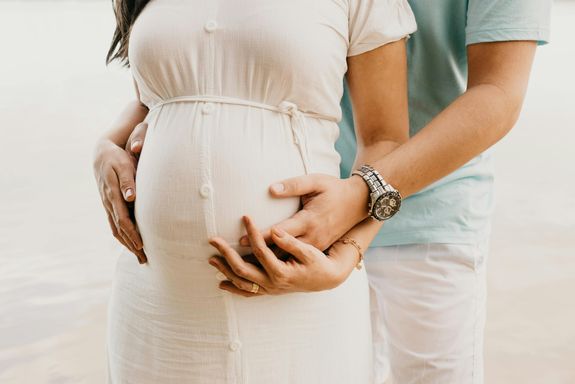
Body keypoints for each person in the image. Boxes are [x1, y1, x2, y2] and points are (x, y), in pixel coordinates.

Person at [93, 0, 417, 383]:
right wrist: (106, 146)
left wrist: (349, 252)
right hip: (157, 302)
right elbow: (159, 97)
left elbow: (386, 141)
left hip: (300, 304)